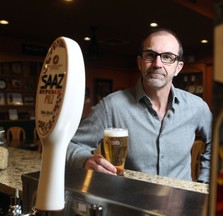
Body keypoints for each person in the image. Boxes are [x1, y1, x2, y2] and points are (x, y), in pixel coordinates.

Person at [66, 28, 212, 182]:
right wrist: (85, 160)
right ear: (140, 63)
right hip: (129, 200)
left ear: (178, 68)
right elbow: (71, 145)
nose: (157, 64)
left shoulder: (197, 106)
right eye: (150, 55)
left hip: (182, 201)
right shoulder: (111, 106)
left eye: (167, 57)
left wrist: (205, 184)